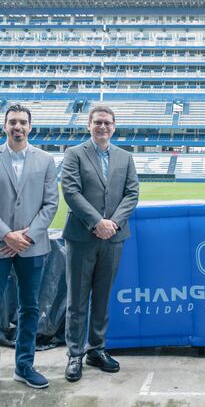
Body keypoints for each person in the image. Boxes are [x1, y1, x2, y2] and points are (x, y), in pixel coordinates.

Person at [0, 104, 59, 400]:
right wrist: (7, 235)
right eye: (12, 122)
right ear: (4, 126)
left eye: (23, 122)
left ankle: (24, 365)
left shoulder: (46, 160)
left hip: (33, 247)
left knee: (30, 308)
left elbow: (50, 205)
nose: (18, 126)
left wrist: (26, 237)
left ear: (30, 127)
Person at [61, 105, 139, 382]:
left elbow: (132, 194)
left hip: (114, 237)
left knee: (103, 298)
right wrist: (97, 222)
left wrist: (113, 223)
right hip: (82, 237)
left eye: (107, 123)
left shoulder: (125, 157)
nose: (102, 127)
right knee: (77, 300)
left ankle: (97, 349)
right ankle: (74, 354)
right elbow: (70, 191)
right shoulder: (74, 154)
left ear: (114, 126)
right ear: (89, 125)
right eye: (98, 123)